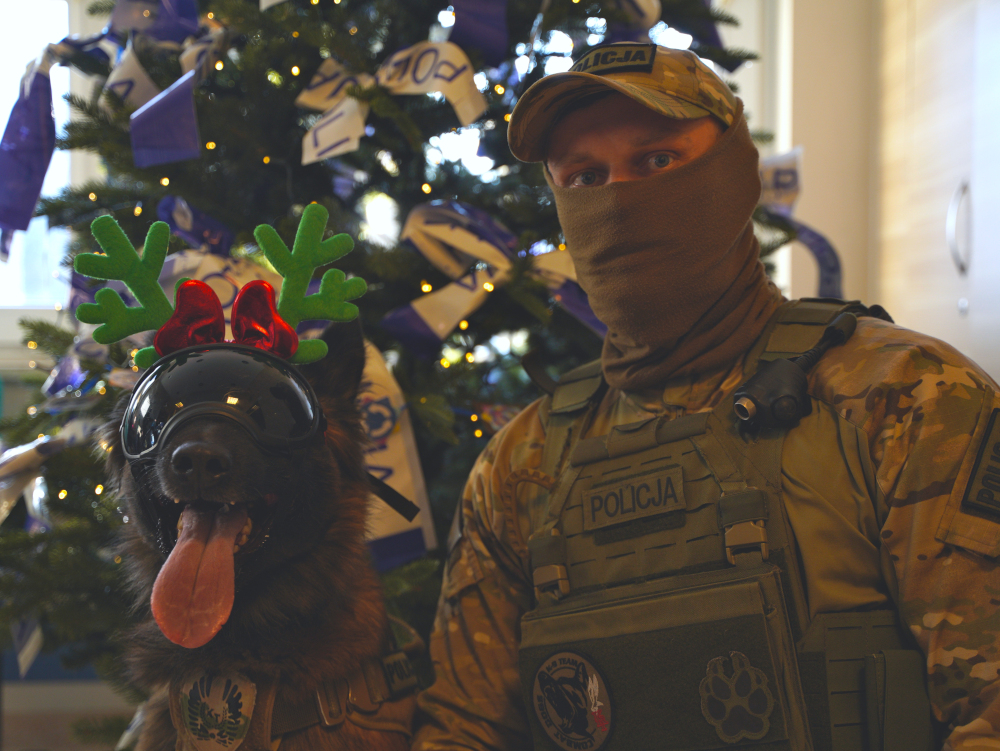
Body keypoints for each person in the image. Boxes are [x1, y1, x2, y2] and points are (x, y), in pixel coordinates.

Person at [411, 42, 1000, 751]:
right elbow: (462, 731)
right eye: (586, 177)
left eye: (658, 160)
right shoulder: (521, 465)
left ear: (734, 174)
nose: (618, 201)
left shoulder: (908, 398)